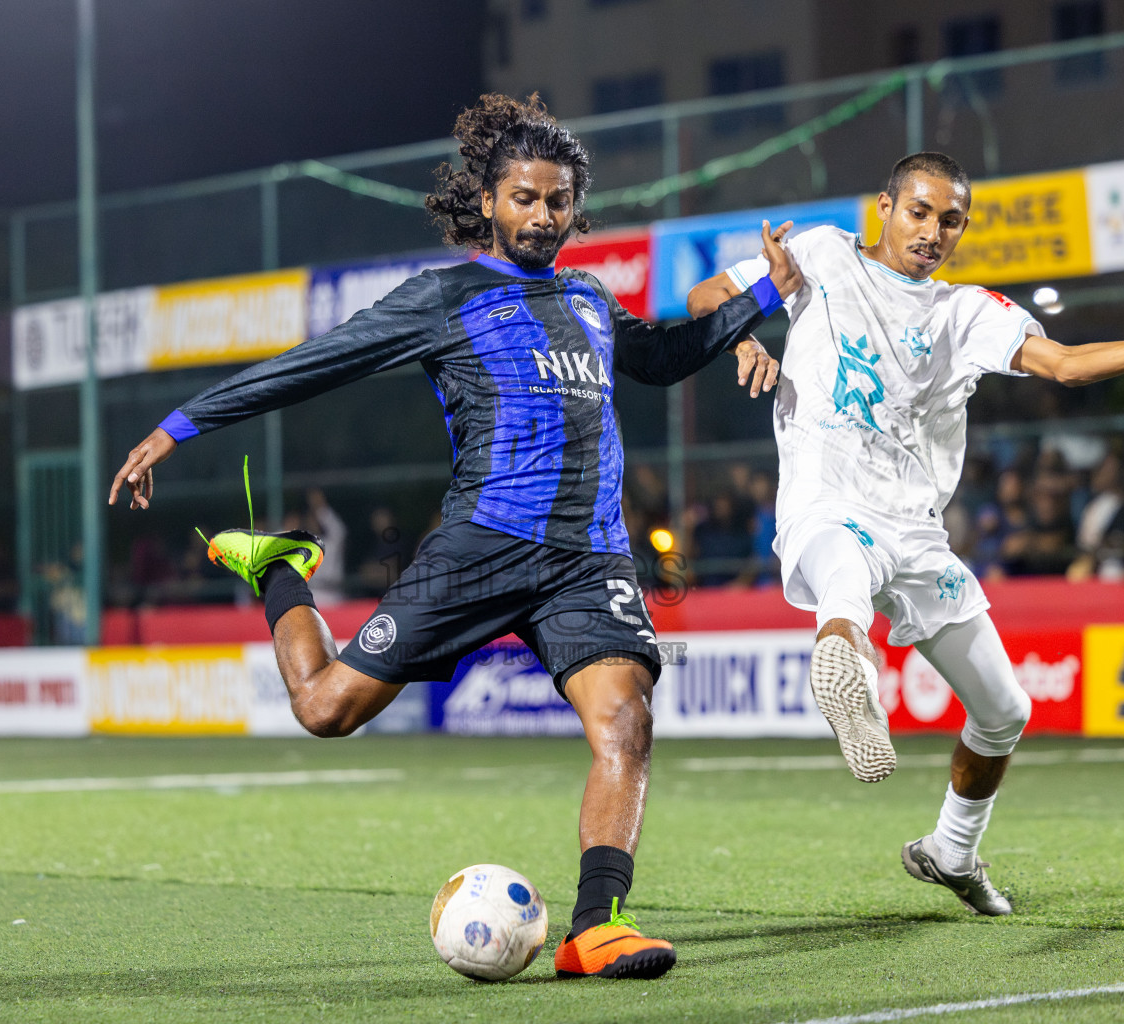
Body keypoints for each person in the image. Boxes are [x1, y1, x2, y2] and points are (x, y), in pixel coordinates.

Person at [108, 94, 794, 980]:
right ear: (489, 201)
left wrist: (768, 293)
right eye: (523, 198)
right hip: (481, 546)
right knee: (324, 709)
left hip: (587, 558)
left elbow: (660, 359)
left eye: (556, 201)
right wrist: (179, 426)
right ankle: (280, 568)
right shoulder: (444, 298)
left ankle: (596, 927)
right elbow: (312, 363)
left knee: (626, 724)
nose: (541, 216)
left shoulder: (587, 299)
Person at [687, 150, 1124, 916]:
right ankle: (848, 663)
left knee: (1006, 710)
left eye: (950, 220)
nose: (933, 231)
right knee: (842, 570)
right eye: (919, 211)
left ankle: (951, 850)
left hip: (917, 531)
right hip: (828, 499)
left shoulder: (967, 313)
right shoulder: (821, 254)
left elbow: (1066, 365)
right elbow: (705, 294)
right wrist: (743, 336)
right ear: (885, 208)